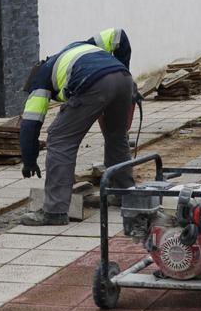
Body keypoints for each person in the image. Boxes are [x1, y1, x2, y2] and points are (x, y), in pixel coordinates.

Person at [19, 28, 136, 225]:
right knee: (117, 136)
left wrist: (29, 161)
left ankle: (54, 212)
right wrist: (123, 69)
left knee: (60, 139)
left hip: (92, 82)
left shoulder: (41, 81)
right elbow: (119, 35)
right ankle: (124, 194)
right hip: (124, 79)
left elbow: (30, 126)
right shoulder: (79, 47)